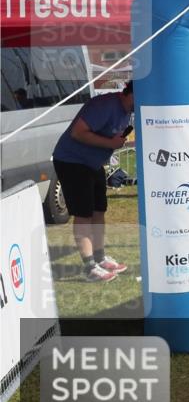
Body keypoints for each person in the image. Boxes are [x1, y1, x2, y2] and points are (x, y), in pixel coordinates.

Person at [52, 82, 134, 282]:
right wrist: (110, 143)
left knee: (99, 210)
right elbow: (78, 132)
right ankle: (89, 267)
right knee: (84, 213)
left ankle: (100, 258)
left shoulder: (126, 110)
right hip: (72, 161)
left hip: (92, 163)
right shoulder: (105, 104)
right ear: (132, 93)